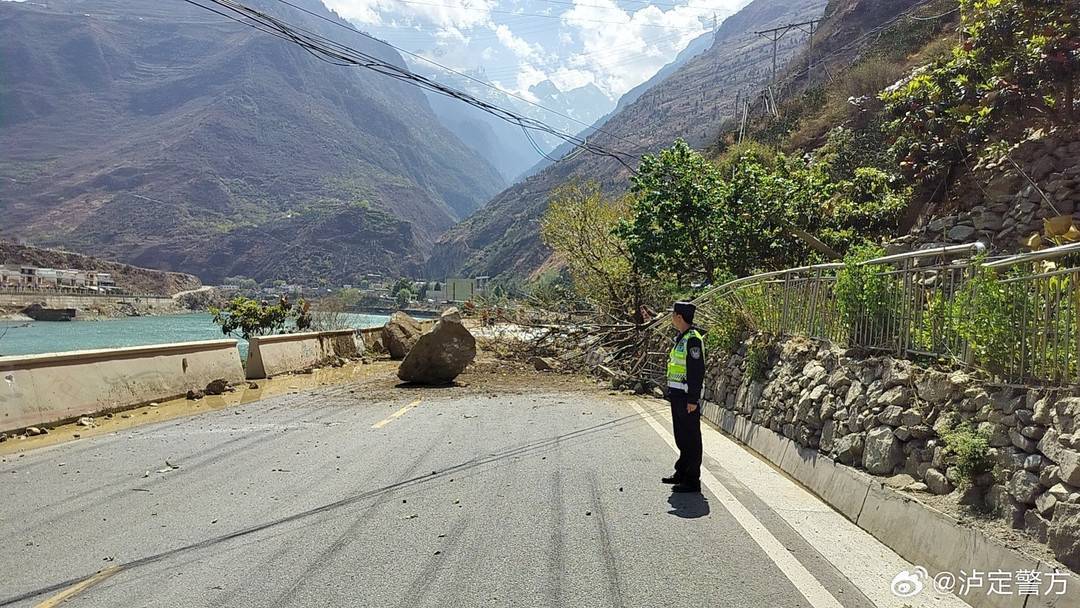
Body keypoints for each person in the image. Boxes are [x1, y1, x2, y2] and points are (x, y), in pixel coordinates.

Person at [662, 301, 705, 493]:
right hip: (678, 395)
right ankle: (681, 472)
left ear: (679, 317)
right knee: (681, 437)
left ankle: (692, 480)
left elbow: (696, 371)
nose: (671, 318)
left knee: (691, 439)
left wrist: (692, 399)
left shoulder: (693, 340)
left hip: (687, 397)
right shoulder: (681, 338)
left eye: (673, 315)